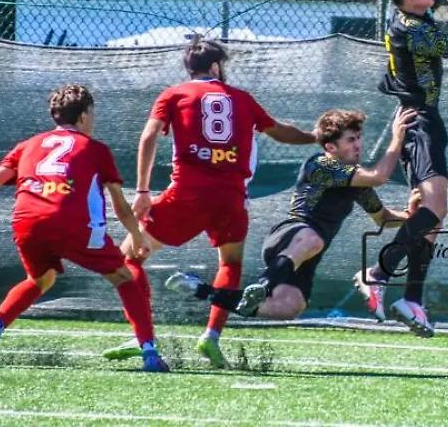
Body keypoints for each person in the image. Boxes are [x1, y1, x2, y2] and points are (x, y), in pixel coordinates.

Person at [102, 37, 317, 368]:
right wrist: (315, 137)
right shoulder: (241, 99)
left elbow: (147, 137)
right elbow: (280, 131)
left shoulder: (174, 94)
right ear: (217, 66)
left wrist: (143, 191)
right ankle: (211, 336)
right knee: (229, 265)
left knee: (127, 256)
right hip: (231, 197)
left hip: (187, 193)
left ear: (191, 69)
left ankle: (143, 335)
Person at [0, 84, 167, 372]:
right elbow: (120, 206)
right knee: (125, 278)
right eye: (92, 113)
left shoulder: (28, 145)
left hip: (27, 222)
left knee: (41, 279)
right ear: (82, 117)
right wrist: (137, 235)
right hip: (71, 222)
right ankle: (150, 353)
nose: (93, 119)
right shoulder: (96, 150)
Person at [165, 107, 416, 319]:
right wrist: (397, 138)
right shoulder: (322, 164)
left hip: (307, 256)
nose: (359, 145)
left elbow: (383, 218)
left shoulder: (356, 181)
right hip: (290, 237)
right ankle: (263, 285)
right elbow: (379, 177)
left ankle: (202, 290)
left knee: (289, 307)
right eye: (351, 140)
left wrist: (411, 215)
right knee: (313, 238)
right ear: (330, 146)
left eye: (359, 137)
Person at [353, 0, 448, 337]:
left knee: (429, 221)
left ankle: (412, 299)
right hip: (420, 122)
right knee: (435, 210)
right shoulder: (415, 29)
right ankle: (376, 272)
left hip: (421, 120)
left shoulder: (411, 10)